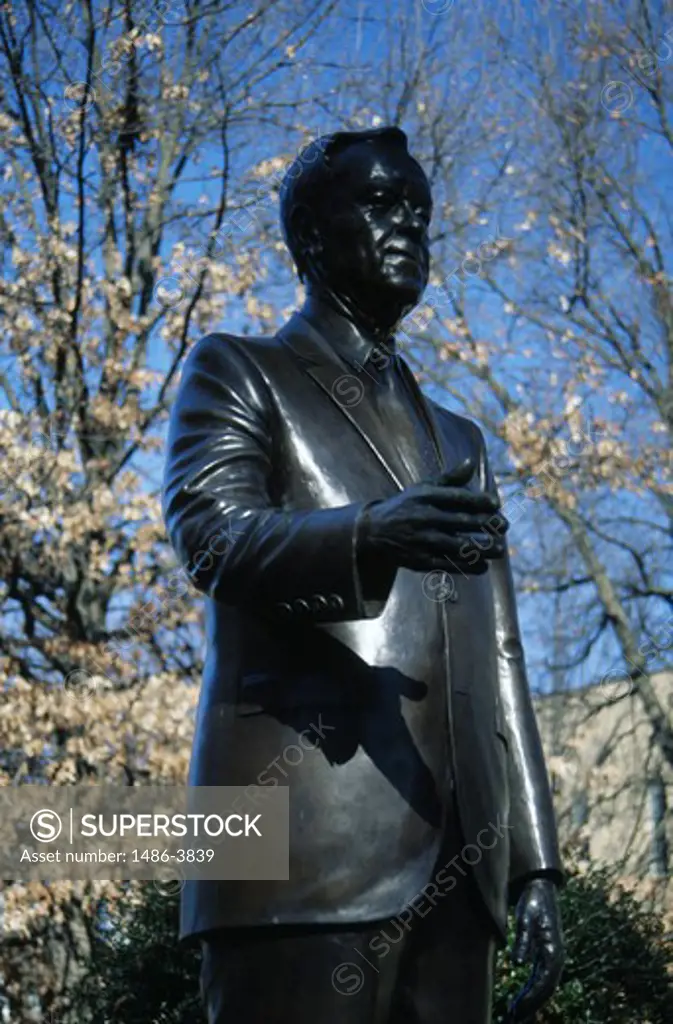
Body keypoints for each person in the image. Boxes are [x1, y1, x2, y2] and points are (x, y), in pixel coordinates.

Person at [161, 125, 565, 1024]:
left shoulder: (459, 442)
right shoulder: (239, 370)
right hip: (295, 855)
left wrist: (534, 862)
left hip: (461, 872)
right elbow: (213, 538)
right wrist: (370, 537)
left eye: (419, 213)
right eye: (381, 204)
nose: (408, 228)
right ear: (308, 234)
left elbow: (501, 659)